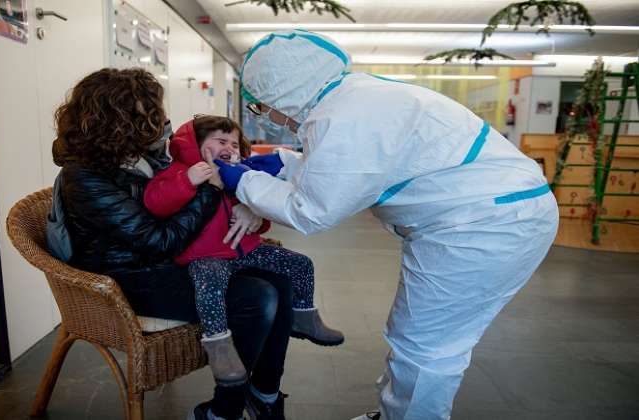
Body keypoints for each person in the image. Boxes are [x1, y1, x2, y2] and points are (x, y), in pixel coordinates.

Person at [215, 30, 560, 419]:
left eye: (264, 107)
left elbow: (311, 209)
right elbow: (357, 170)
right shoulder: (355, 97)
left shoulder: (340, 117)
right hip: (487, 213)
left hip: (482, 225)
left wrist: (242, 181)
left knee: (427, 345)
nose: (271, 116)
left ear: (285, 93)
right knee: (416, 334)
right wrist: (285, 163)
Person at [52, 67, 293, 420]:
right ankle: (225, 409)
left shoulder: (145, 153)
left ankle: (265, 393)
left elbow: (194, 185)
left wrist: (245, 205)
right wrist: (207, 192)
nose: (162, 118)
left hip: (173, 259)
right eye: (151, 110)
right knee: (257, 297)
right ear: (121, 119)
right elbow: (157, 241)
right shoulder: (84, 177)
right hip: (128, 278)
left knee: (281, 277)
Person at [143, 114, 344, 386]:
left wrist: (254, 212)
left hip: (245, 250)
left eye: (235, 144)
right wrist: (187, 181)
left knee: (300, 264)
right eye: (221, 141)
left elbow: (263, 209)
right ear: (195, 144)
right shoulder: (178, 173)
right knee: (210, 286)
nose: (230, 148)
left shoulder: (241, 175)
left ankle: (303, 316)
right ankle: (218, 345)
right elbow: (156, 202)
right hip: (205, 257)